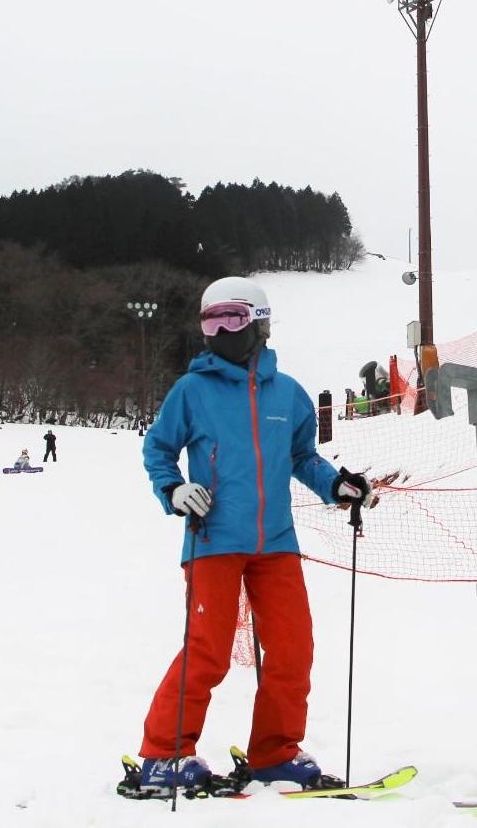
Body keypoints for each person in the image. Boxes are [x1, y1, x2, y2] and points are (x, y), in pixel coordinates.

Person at [133, 276, 379, 797]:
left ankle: (274, 754)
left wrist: (336, 485)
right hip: (213, 538)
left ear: (260, 324)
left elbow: (301, 458)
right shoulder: (191, 391)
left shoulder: (287, 393)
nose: (221, 330)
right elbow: (158, 450)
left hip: (276, 544)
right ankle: (163, 754)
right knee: (209, 651)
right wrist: (174, 490)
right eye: (211, 320)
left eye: (233, 318)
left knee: (292, 649)